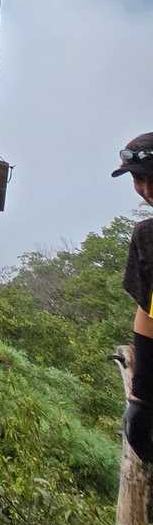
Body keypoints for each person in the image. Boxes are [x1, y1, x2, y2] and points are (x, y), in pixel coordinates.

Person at [116, 133, 153, 463]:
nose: (147, 190)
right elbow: (149, 310)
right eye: (139, 179)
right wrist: (140, 398)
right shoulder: (147, 236)